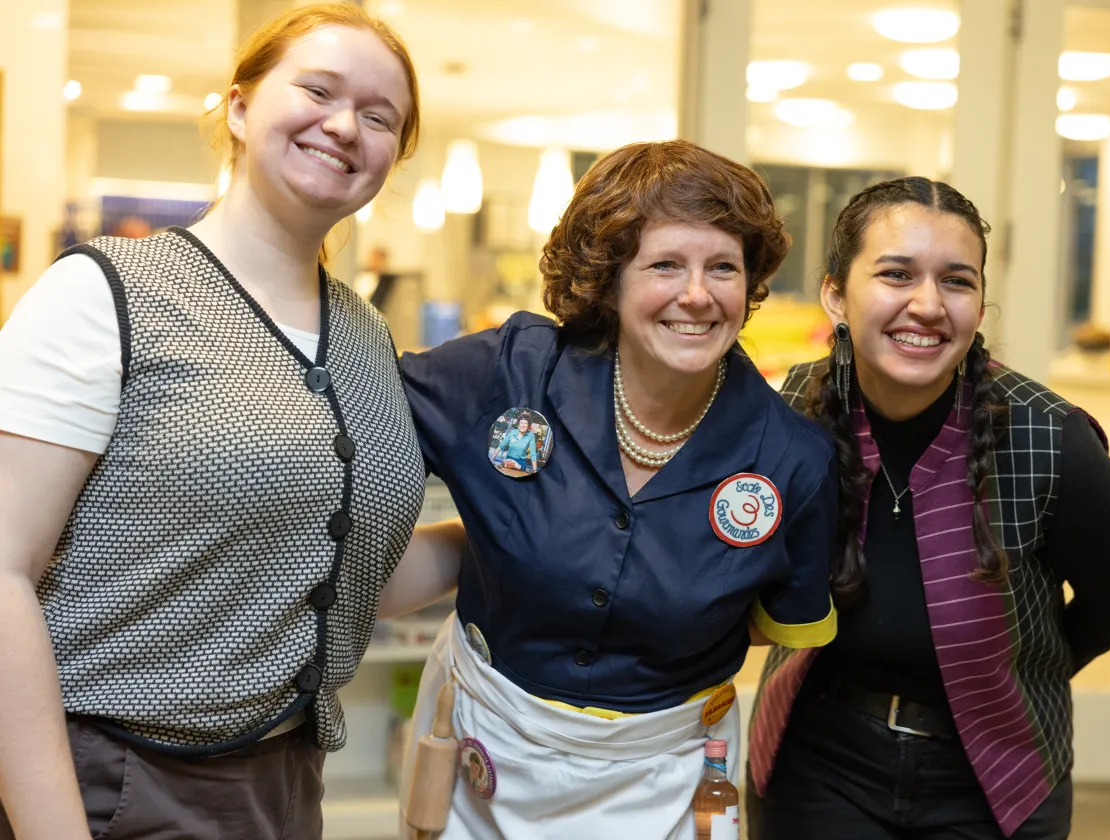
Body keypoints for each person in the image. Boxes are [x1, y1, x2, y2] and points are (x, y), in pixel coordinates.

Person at [0, 6, 463, 839]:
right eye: (317, 90)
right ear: (242, 108)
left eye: (379, 116)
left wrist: (515, 531)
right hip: (110, 777)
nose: (343, 125)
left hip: (284, 789)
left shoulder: (363, 335)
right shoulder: (107, 293)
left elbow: (324, 570)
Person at [395, 139, 841, 840]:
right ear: (609, 279)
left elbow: (773, 624)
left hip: (665, 775)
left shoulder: (794, 459)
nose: (697, 294)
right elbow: (347, 424)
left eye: (722, 267)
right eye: (665, 264)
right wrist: (462, 546)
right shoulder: (508, 373)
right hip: (485, 751)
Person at [745, 177, 1110, 840]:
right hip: (819, 762)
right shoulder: (797, 408)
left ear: (981, 305)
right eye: (896, 274)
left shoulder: (1050, 437)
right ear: (835, 294)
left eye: (958, 282)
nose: (928, 305)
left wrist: (1014, 676)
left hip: (994, 773)